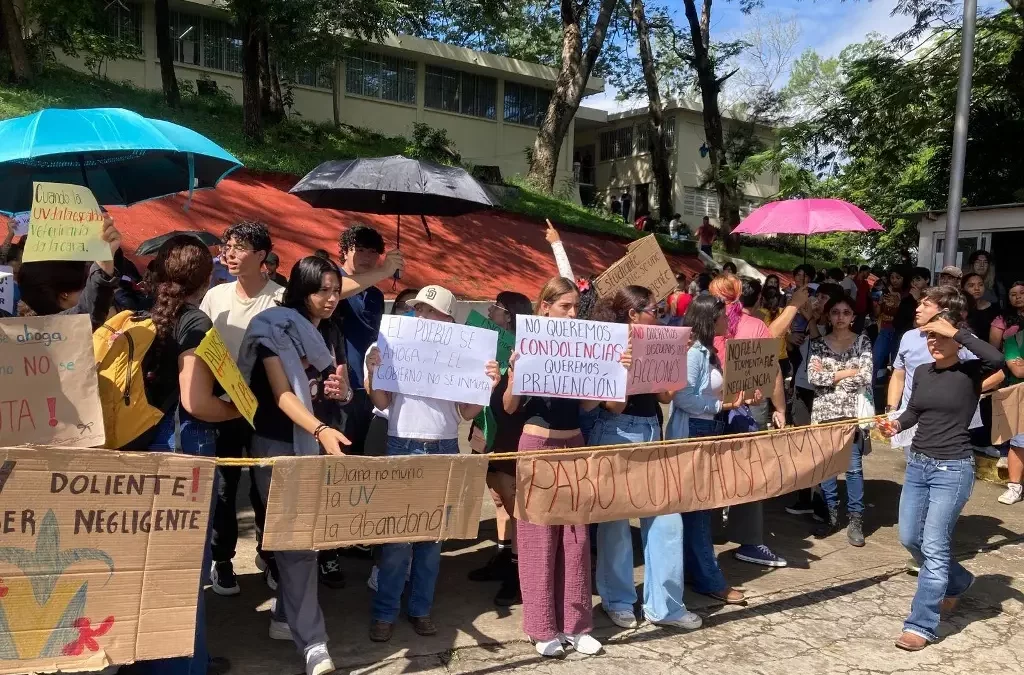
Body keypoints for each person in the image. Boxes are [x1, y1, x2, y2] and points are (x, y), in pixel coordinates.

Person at [126, 235, 242, 675]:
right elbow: (196, 403)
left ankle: (162, 659)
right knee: (184, 568)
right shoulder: (194, 324)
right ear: (205, 278)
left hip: (143, 444)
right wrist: (235, 409)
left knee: (151, 564)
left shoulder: (142, 313)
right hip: (184, 449)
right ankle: (183, 666)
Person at [365, 285, 500, 642]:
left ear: (447, 320)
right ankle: (384, 613)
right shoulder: (391, 345)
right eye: (418, 310)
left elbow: (464, 411)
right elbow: (381, 400)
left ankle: (421, 609)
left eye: (430, 311)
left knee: (432, 540)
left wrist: (486, 386)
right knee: (396, 540)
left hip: (443, 447)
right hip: (401, 444)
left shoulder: (461, 353)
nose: (421, 316)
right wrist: (371, 369)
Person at [237, 255, 351, 675]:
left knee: (303, 539)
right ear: (303, 290)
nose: (332, 298)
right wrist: (320, 428)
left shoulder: (332, 331)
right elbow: (283, 395)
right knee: (298, 545)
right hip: (279, 445)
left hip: (320, 442)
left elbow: (340, 385)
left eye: (337, 290)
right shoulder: (276, 330)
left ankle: (286, 617)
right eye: (323, 290)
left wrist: (341, 392)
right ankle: (314, 642)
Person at [876, 288, 1005, 651]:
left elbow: (997, 357)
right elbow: (914, 411)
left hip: (952, 469)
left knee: (933, 546)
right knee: (909, 539)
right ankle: (960, 581)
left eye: (938, 335)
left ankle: (921, 625)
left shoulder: (970, 372)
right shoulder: (922, 371)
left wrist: (955, 331)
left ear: (953, 336)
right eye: (928, 335)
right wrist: (896, 425)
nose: (932, 341)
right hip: (918, 464)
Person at [502, 277, 606, 658]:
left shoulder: (580, 347)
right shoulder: (528, 345)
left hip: (574, 441)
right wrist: (514, 373)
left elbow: (588, 408)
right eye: (565, 306)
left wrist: (610, 376)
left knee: (576, 537)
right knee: (538, 536)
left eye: (576, 307)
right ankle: (541, 626)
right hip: (537, 443)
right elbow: (510, 406)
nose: (572, 313)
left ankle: (577, 626)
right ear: (544, 307)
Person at [592, 285, 701, 632]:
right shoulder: (607, 345)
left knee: (668, 521)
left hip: (653, 430)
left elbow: (666, 397)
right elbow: (612, 404)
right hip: (615, 430)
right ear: (633, 315)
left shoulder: (657, 341)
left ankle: (665, 606)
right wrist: (625, 368)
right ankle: (619, 601)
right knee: (616, 525)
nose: (661, 316)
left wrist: (674, 360)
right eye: (654, 310)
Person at [200, 222, 285, 596]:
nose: (228, 253)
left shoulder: (280, 300)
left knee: (266, 487)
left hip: (267, 406)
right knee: (223, 486)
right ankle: (223, 561)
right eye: (226, 246)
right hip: (222, 402)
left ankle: (270, 556)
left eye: (238, 248)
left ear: (261, 256)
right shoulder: (215, 296)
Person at [665, 294, 746, 604]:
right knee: (698, 511)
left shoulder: (707, 352)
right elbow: (682, 398)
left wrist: (734, 401)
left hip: (708, 430)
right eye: (724, 316)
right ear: (710, 320)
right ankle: (709, 579)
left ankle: (693, 571)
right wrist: (720, 405)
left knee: (697, 509)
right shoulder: (694, 354)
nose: (729, 321)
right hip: (694, 433)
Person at [708, 276, 788, 567]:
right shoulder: (755, 325)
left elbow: (770, 370)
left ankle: (710, 534)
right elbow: (772, 371)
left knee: (711, 472)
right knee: (748, 475)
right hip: (737, 409)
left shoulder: (703, 323)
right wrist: (780, 408)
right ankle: (749, 540)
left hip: (711, 408)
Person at [467, 291, 535, 607]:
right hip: (485, 428)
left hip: (509, 434)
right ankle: (503, 555)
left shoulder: (524, 351)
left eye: (494, 308)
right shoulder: (486, 344)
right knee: (497, 498)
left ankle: (518, 572)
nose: (489, 313)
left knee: (514, 503)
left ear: (508, 315)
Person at [807, 295, 873, 546]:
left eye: (846, 312)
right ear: (828, 316)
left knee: (853, 468)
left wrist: (831, 376)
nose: (840, 317)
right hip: (824, 414)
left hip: (851, 414)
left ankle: (856, 519)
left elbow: (865, 376)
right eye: (835, 312)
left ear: (853, 317)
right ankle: (830, 516)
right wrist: (847, 373)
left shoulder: (862, 342)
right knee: (827, 468)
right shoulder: (819, 344)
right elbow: (814, 377)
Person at [16, 214, 121, 328]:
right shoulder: (71, 330)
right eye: (85, 285)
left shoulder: (23, 333)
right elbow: (90, 312)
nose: (88, 291)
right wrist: (104, 264)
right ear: (64, 295)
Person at [995, 281, 1024, 505]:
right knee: (1019, 442)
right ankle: (1015, 487)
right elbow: (1016, 369)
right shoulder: (1013, 339)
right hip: (1020, 395)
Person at [873, 266, 907, 380]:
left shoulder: (907, 295)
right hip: (884, 330)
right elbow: (877, 314)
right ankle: (870, 391)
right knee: (875, 360)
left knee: (896, 365)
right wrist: (878, 304)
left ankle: (892, 392)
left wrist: (899, 304)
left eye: (898, 277)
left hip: (900, 332)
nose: (894, 280)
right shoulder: (885, 292)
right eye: (892, 277)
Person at [893, 267, 931, 341]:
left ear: (927, 280)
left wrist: (918, 299)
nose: (914, 283)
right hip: (902, 337)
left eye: (918, 279)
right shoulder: (907, 299)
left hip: (923, 338)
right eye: (912, 280)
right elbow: (897, 322)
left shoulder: (933, 298)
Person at [963, 273, 1000, 346]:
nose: (977, 288)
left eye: (980, 285)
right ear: (963, 288)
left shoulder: (994, 308)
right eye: (971, 285)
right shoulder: (960, 309)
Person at [989, 279, 1024, 350]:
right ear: (1008, 300)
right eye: (1013, 295)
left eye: (1022, 293)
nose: (1018, 297)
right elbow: (993, 351)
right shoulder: (1001, 320)